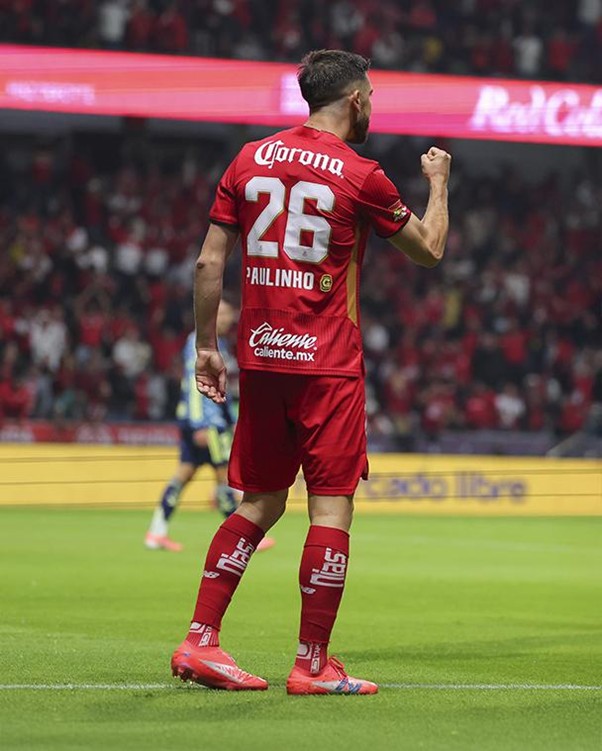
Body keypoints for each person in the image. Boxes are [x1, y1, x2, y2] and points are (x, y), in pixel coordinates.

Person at [171, 49, 450, 694]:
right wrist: (438, 184)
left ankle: (200, 641)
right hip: (328, 364)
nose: (372, 106)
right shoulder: (362, 175)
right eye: (371, 96)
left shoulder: (248, 159)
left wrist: (206, 347)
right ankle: (312, 664)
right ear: (354, 100)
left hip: (262, 355)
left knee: (261, 501)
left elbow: (208, 263)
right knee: (330, 507)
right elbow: (430, 250)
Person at [145, 299, 275, 552]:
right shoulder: (202, 342)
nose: (228, 318)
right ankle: (242, 538)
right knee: (224, 476)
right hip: (206, 424)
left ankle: (156, 532)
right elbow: (195, 386)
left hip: (202, 421)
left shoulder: (218, 343)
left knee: (184, 474)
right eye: (223, 313)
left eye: (228, 314)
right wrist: (200, 425)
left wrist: (232, 420)